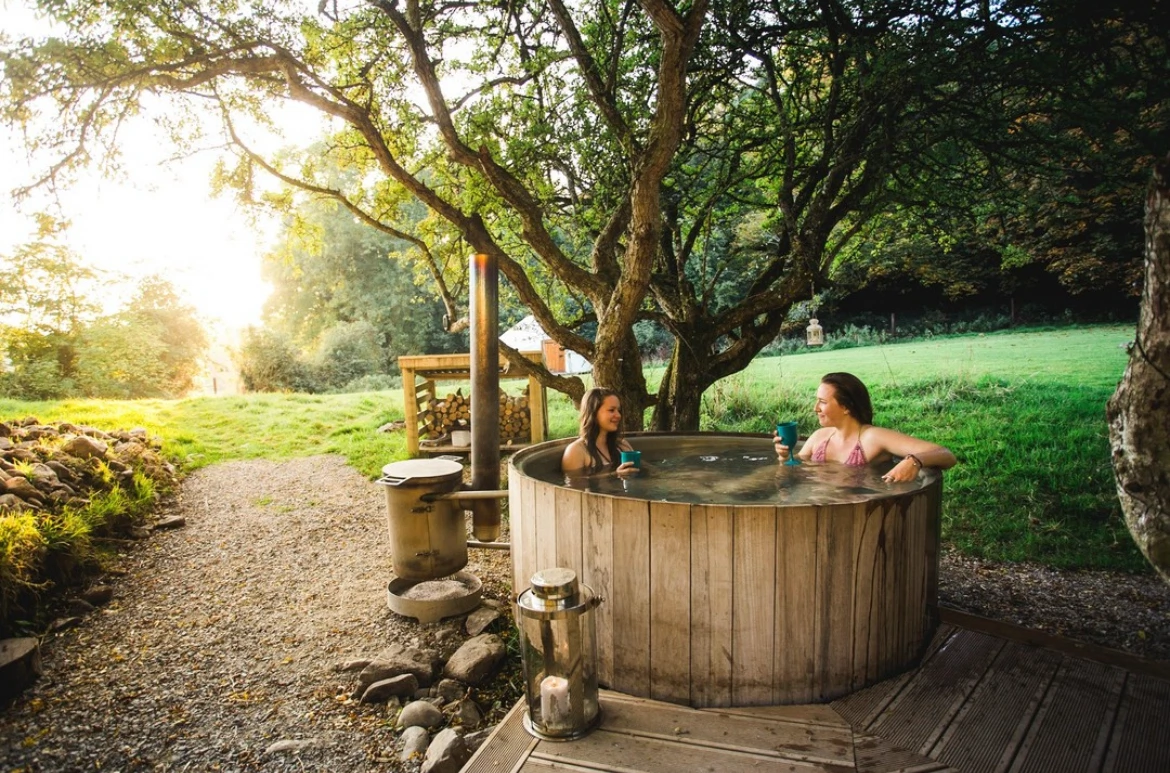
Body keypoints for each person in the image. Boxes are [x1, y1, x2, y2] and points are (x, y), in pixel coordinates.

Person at [774, 372, 957, 482]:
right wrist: (784, 456)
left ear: (846, 407)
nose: (815, 408)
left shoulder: (872, 437)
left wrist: (914, 461)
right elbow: (793, 469)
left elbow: (946, 455)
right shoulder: (820, 437)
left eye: (822, 402)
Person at [561, 387, 639, 477]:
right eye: (611, 410)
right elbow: (573, 487)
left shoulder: (622, 445)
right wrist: (615, 475)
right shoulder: (576, 451)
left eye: (619, 410)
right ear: (593, 413)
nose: (618, 415)